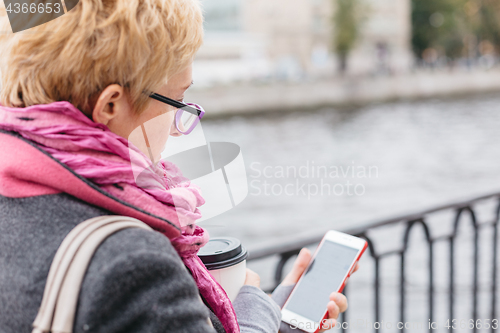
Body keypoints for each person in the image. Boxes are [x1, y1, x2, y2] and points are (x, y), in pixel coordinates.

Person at [0, 0, 352, 332]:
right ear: (111, 105)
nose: (176, 125)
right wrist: (255, 307)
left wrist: (275, 317)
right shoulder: (134, 263)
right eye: (178, 101)